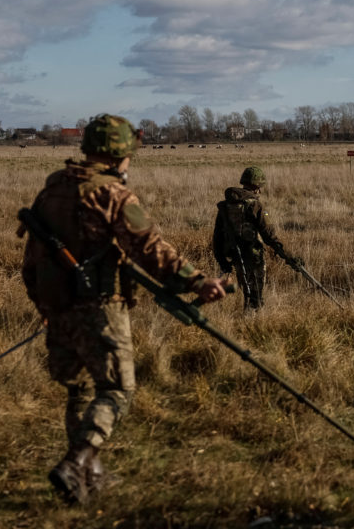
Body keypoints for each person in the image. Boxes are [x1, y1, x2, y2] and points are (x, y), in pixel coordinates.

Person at [19, 114, 227, 504]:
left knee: (80, 391)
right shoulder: (112, 194)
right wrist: (198, 281)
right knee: (116, 389)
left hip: (58, 307)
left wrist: (43, 305)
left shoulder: (53, 190)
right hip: (99, 307)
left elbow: (31, 259)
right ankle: (75, 463)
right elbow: (149, 248)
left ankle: (86, 480)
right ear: (119, 154)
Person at [213, 166, 294, 311]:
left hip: (235, 255)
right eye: (260, 187)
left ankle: (249, 315)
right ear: (256, 186)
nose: (260, 191)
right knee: (256, 295)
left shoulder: (226, 206)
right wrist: (287, 255)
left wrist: (221, 260)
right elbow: (268, 234)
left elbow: (217, 236)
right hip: (253, 255)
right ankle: (253, 319)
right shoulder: (255, 205)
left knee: (247, 291)